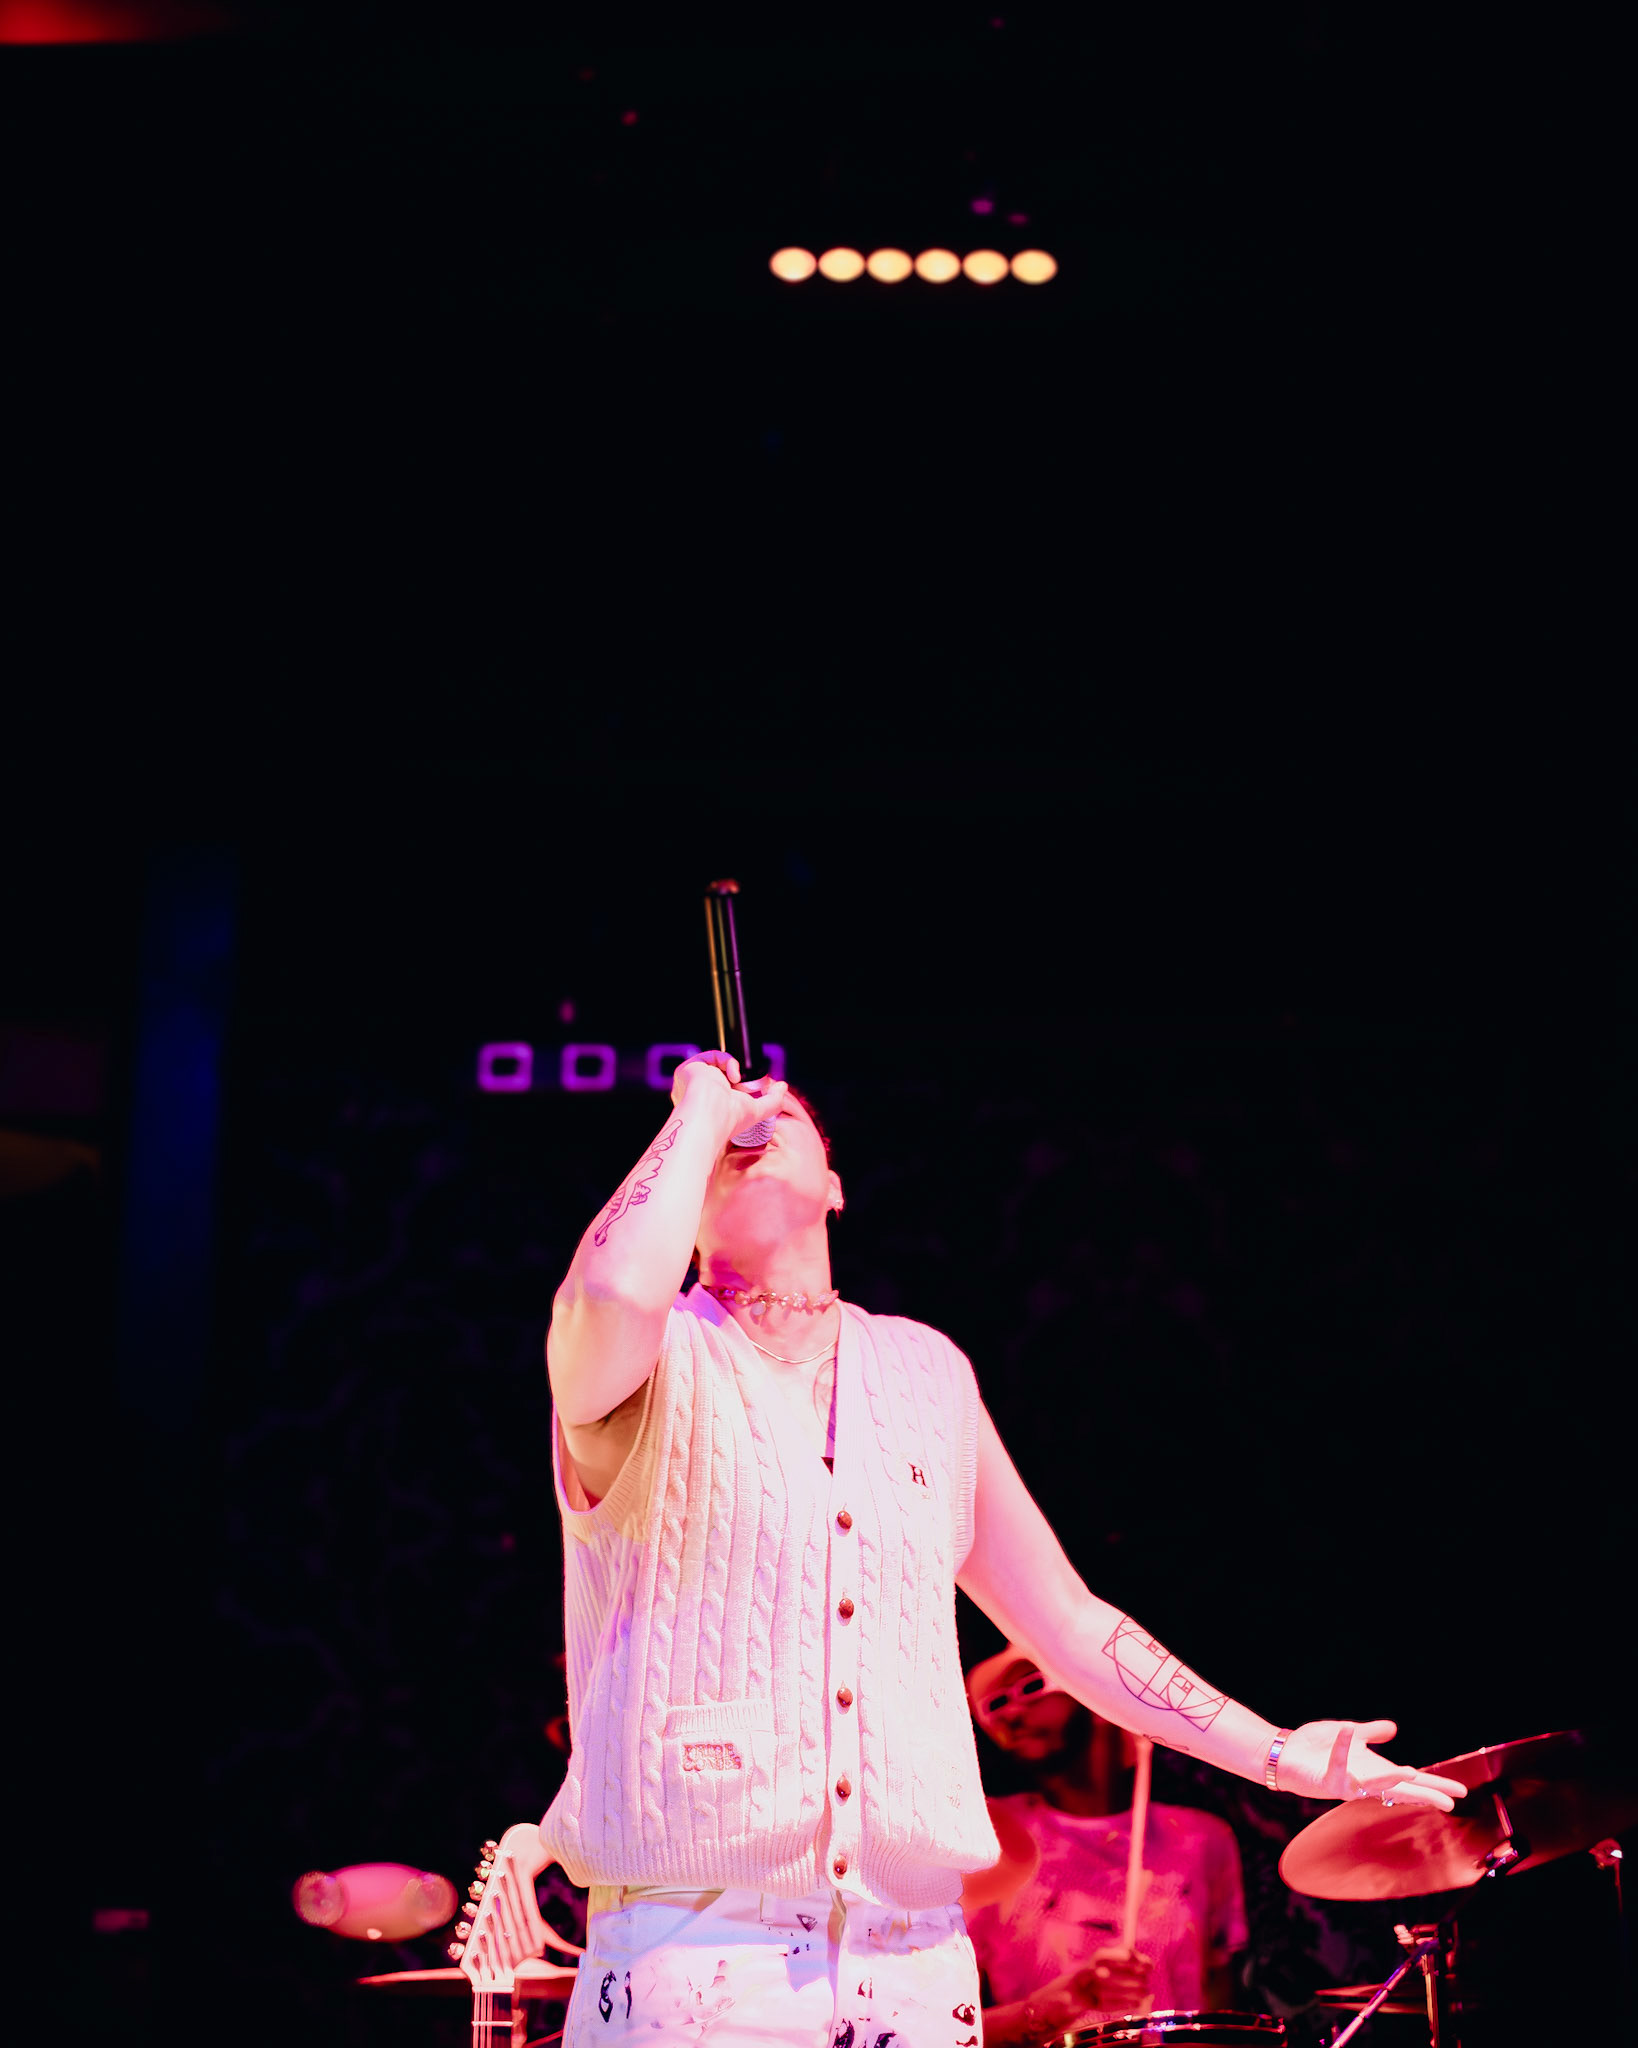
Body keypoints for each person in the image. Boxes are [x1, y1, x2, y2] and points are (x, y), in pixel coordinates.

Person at [541, 1052, 1463, 2048]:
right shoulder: (651, 1353)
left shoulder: (925, 1371)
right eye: (727, 1127)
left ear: (837, 1185)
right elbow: (612, 1293)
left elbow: (1068, 1622)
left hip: (914, 1957)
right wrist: (699, 1101)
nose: (750, 1121)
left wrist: (1279, 1752)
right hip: (694, 1947)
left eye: (782, 1113)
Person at [964, 1646, 1248, 2043]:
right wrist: (1046, 2010)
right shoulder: (988, 1837)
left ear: (1096, 1695)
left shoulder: (1201, 1839)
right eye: (995, 1705)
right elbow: (948, 2023)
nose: (1011, 1713)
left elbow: (1219, 1993)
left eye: (1030, 1687)